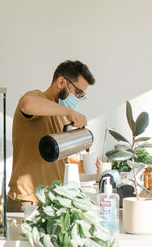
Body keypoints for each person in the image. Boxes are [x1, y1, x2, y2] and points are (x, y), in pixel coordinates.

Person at [7, 60, 95, 212]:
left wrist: (84, 165)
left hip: (51, 201)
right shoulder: (38, 97)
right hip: (28, 201)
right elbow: (26, 104)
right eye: (78, 92)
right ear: (61, 82)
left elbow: (56, 160)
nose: (79, 99)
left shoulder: (61, 114)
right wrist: (69, 112)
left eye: (82, 96)